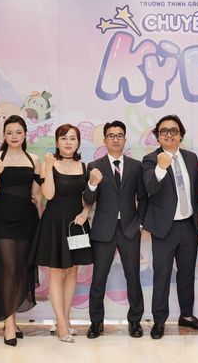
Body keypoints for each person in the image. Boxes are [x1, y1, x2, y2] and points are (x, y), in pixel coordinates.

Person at [142, 114, 198, 340]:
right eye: (164, 131)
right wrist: (161, 168)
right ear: (158, 136)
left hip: (189, 225)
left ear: (181, 135)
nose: (169, 134)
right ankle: (159, 320)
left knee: (187, 274)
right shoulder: (150, 159)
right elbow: (150, 188)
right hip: (164, 228)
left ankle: (186, 315)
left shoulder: (191, 158)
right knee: (162, 275)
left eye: (174, 131)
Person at [83, 121, 148, 339]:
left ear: (125, 139)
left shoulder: (136, 166)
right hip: (103, 230)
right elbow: (88, 199)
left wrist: (139, 223)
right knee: (98, 279)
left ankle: (135, 321)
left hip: (129, 229)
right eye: (111, 135)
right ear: (104, 140)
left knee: (133, 278)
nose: (115, 139)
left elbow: (143, 197)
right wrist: (92, 184)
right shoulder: (94, 166)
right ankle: (96, 322)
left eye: (119, 135)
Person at [31, 124, 93, 343]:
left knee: (72, 271)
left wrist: (85, 213)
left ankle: (65, 320)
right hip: (55, 224)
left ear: (78, 142)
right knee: (57, 273)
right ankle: (61, 323)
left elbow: (88, 197)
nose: (68, 142)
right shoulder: (50, 164)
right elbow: (48, 194)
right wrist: (48, 168)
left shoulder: (84, 166)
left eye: (73, 138)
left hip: (76, 225)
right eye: (64, 138)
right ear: (57, 142)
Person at [0, 115, 41, 346]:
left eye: (18, 132)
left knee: (20, 269)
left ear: (25, 134)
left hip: (27, 220)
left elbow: (37, 194)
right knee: (7, 269)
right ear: (4, 135)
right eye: (9, 132)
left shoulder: (34, 159)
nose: (14, 136)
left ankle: (13, 320)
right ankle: (8, 324)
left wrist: (40, 219)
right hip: (2, 219)